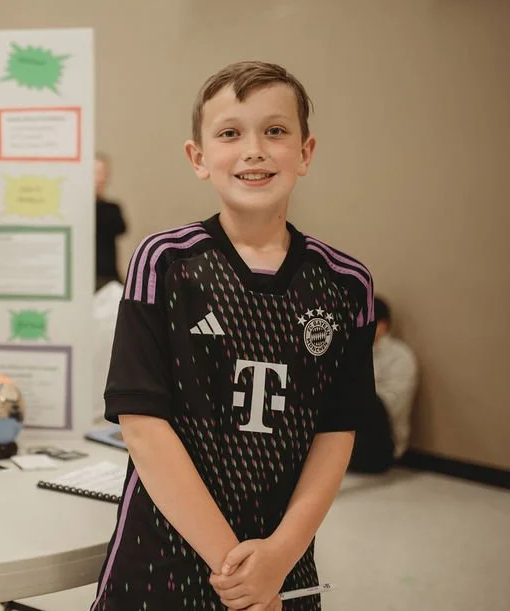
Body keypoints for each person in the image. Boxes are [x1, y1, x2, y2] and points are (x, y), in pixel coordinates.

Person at [91, 61, 376, 611]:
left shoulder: (346, 284)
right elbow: (143, 428)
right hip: (162, 558)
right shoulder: (165, 263)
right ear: (198, 158)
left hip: (281, 561)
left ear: (306, 152)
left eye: (275, 130)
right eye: (229, 133)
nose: (254, 149)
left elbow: (337, 432)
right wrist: (239, 574)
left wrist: (278, 557)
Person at [348, 296, 417, 473]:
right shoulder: (356, 350)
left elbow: (389, 406)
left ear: (383, 325)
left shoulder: (400, 356)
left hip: (382, 441)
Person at [95, 152, 128, 291]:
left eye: (103, 173)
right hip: (83, 275)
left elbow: (121, 228)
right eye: (96, 173)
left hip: (107, 276)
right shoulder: (77, 209)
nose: (100, 178)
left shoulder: (111, 208)